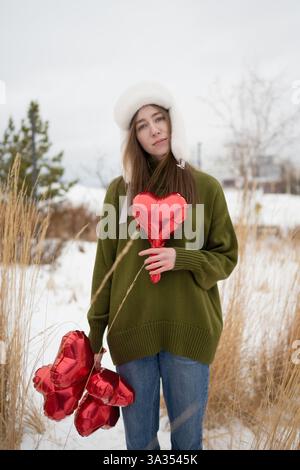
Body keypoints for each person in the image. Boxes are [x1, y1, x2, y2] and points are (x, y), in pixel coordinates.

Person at [87, 80, 238, 450]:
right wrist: (94, 334)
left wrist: (180, 258)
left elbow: (226, 257)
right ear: (134, 136)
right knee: (140, 443)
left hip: (189, 330)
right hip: (131, 331)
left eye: (159, 119)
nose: (154, 129)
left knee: (187, 443)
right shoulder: (118, 193)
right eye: (142, 124)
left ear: (173, 123)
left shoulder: (206, 188)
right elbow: (105, 266)